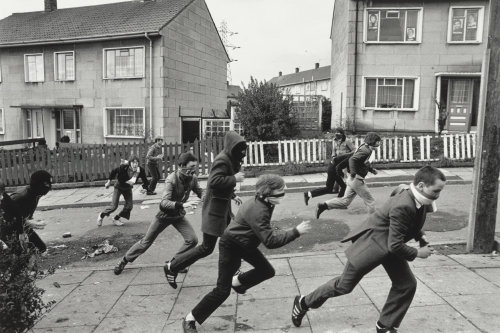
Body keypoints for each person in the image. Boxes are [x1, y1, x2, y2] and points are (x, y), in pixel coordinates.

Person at [291, 166, 446, 333]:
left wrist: (421, 237)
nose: (438, 195)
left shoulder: (419, 198)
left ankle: (385, 325)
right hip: (372, 245)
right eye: (436, 191)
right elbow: (395, 245)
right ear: (421, 185)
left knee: (406, 284)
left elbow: (410, 225)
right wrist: (418, 253)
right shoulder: (404, 204)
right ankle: (303, 302)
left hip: (391, 245)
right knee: (344, 285)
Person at [182, 174, 311, 333]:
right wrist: (295, 232)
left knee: (267, 271)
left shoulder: (265, 202)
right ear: (268, 193)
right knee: (222, 291)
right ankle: (190, 319)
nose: (285, 191)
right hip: (231, 246)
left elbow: (261, 228)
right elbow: (270, 242)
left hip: (245, 244)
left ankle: (237, 281)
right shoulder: (259, 209)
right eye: (281, 191)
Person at [164, 131, 247, 289]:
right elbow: (214, 182)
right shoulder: (222, 160)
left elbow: (221, 183)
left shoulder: (229, 158)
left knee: (233, 239)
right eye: (239, 149)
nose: (242, 153)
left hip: (223, 211)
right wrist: (234, 179)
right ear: (231, 147)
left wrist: (232, 194)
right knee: (207, 248)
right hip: (215, 212)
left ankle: (233, 272)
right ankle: (172, 266)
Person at [113, 152, 203, 275]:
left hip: (178, 216)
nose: (194, 170)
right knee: (146, 242)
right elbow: (164, 202)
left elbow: (200, 192)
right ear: (182, 165)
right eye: (191, 167)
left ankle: (174, 263)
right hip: (164, 216)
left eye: (195, 167)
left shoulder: (192, 179)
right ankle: (124, 260)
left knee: (192, 240)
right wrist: (181, 204)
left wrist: (218, 195)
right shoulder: (171, 179)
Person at [316, 132, 381, 219]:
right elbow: (352, 160)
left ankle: (323, 206)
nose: (379, 143)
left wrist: (371, 170)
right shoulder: (366, 151)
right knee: (371, 201)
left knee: (345, 202)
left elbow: (362, 163)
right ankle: (374, 223)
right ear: (372, 141)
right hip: (356, 180)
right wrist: (353, 173)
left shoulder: (365, 147)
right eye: (378, 141)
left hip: (352, 180)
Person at [304, 127, 354, 205]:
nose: (336, 134)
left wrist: (344, 156)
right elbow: (333, 153)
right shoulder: (335, 141)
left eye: (338, 133)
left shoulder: (347, 141)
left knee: (329, 188)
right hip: (335, 167)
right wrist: (335, 158)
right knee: (343, 187)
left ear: (342, 134)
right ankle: (338, 202)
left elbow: (354, 151)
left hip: (336, 166)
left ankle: (309, 194)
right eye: (336, 133)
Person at [7, 170, 53, 253]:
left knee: (41, 248)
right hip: (9, 228)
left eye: (50, 183)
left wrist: (29, 222)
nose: (49, 187)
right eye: (46, 184)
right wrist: (26, 226)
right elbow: (8, 217)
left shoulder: (36, 193)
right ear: (38, 184)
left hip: (21, 225)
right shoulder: (21, 197)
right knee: (19, 254)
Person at [97, 156, 149, 227]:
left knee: (129, 206)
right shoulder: (124, 167)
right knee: (113, 206)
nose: (135, 165)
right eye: (133, 163)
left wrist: (145, 188)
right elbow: (114, 171)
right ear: (130, 163)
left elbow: (145, 180)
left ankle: (116, 219)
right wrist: (109, 181)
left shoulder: (140, 170)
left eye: (136, 163)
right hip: (119, 187)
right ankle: (101, 215)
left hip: (128, 188)